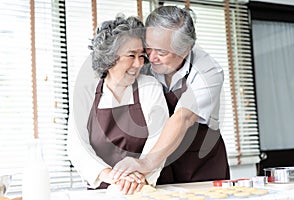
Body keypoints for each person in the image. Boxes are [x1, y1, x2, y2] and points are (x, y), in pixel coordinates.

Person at [110, 6, 230, 185]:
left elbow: (183, 118)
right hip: (160, 163)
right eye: (148, 48)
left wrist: (145, 163)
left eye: (162, 52)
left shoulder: (208, 72)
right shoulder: (143, 64)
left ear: (185, 49)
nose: (151, 57)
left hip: (200, 163)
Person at [67, 15, 169, 194]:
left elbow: (159, 140)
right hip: (101, 190)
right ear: (110, 57)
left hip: (141, 188)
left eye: (141, 56)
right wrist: (114, 177)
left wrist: (140, 177)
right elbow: (77, 146)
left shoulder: (149, 87)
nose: (138, 64)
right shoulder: (86, 90)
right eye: (131, 55)